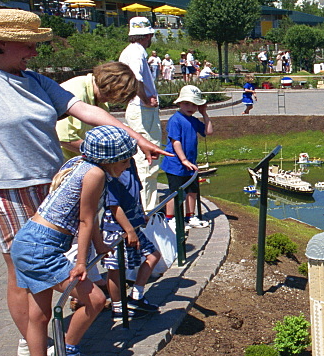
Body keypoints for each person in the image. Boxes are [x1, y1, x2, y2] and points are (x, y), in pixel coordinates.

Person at [0, 9, 165, 356]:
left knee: (50, 265)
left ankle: (49, 344)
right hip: (9, 189)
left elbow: (84, 111)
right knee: (23, 270)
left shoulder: (34, 81)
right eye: (28, 45)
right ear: (2, 43)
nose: (34, 52)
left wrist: (135, 137)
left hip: (53, 186)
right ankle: (35, 344)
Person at [10, 125, 139, 356]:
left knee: (39, 315)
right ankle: (68, 349)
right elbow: (85, 219)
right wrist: (81, 262)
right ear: (111, 159)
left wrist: (101, 245)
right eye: (126, 158)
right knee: (94, 300)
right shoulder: (95, 174)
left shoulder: (79, 163)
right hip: (43, 247)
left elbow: (87, 216)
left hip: (26, 241)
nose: (128, 163)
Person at [101, 157, 162, 322]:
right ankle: (118, 307)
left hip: (133, 224)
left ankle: (136, 295)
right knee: (116, 269)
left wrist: (141, 212)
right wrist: (129, 230)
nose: (127, 164)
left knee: (153, 255)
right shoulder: (111, 176)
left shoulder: (130, 165)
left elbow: (137, 189)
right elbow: (114, 206)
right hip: (116, 229)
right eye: (124, 162)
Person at [119, 16, 164, 211]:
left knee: (142, 156)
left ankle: (143, 204)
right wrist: (146, 97)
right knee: (149, 157)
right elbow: (135, 78)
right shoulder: (137, 52)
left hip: (137, 108)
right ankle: (148, 209)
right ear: (147, 35)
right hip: (142, 109)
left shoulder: (129, 51)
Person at [57, 62, 141, 159]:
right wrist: (102, 154)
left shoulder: (100, 100)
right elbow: (64, 139)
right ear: (110, 86)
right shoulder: (76, 92)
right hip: (59, 162)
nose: (111, 100)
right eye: (112, 96)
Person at [161, 85, 213, 229]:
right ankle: (170, 218)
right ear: (179, 103)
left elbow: (208, 131)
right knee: (174, 192)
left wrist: (204, 114)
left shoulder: (193, 120)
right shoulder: (175, 120)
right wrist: (183, 159)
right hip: (175, 163)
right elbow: (175, 141)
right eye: (186, 104)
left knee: (192, 191)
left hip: (190, 164)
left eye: (194, 104)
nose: (190, 107)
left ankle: (190, 216)